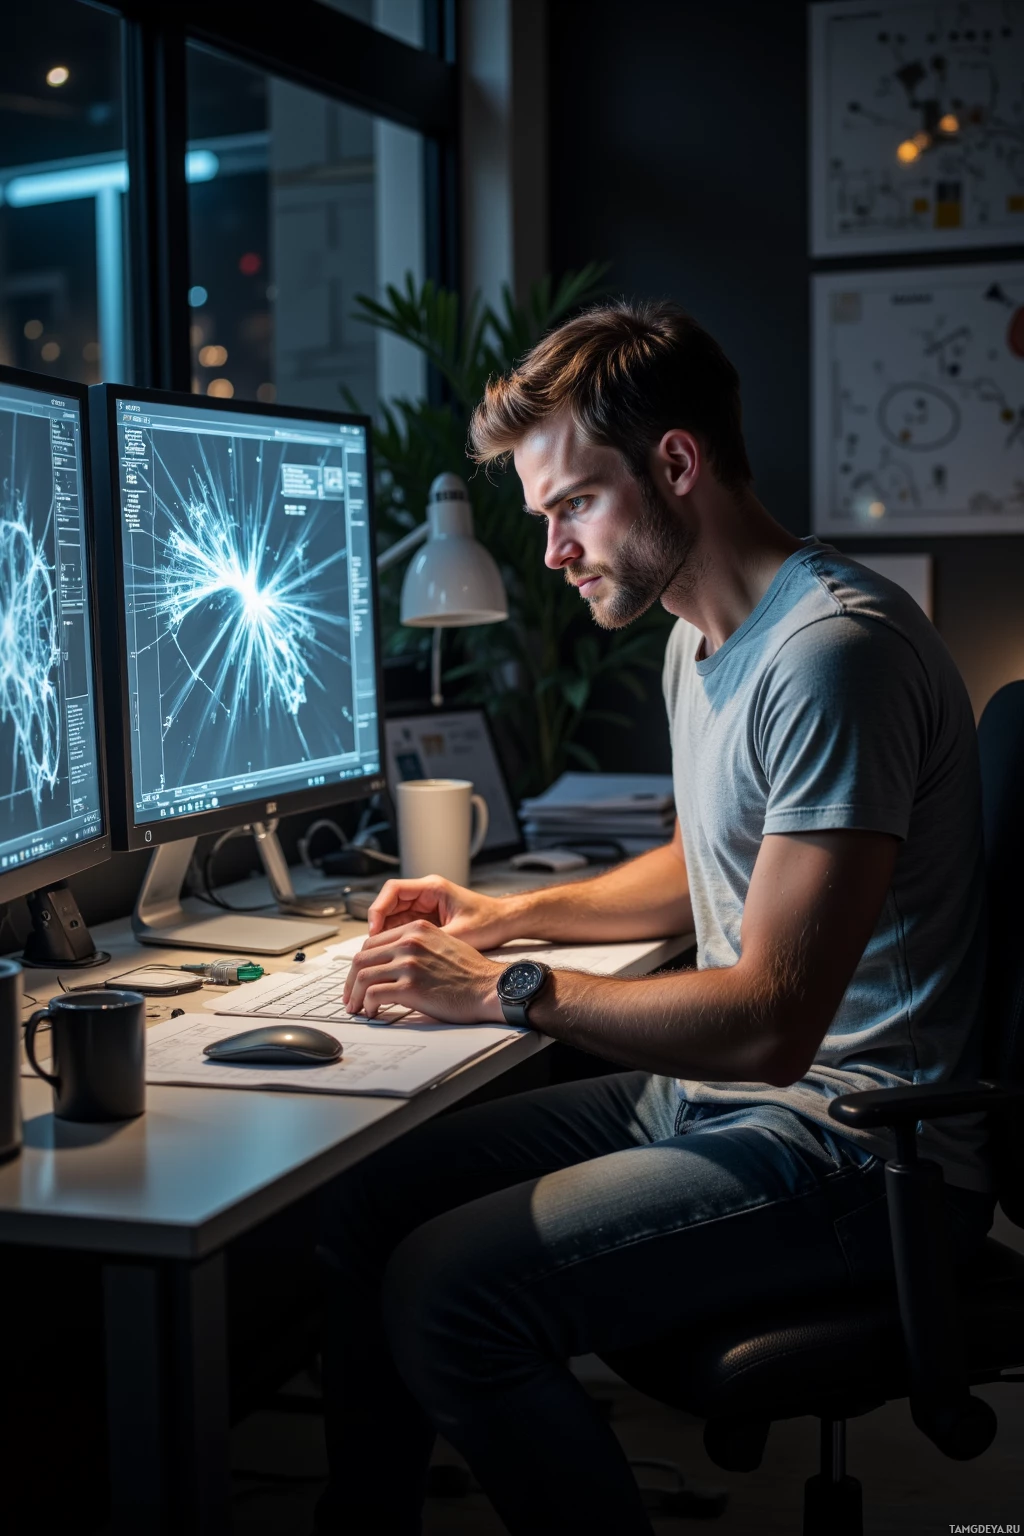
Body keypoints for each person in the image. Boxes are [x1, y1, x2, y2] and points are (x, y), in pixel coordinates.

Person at [314, 300, 993, 1536]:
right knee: (365, 1204)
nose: (555, 550)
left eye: (572, 506)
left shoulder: (834, 652)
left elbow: (770, 1027)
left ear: (674, 464)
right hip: (744, 1110)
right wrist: (504, 914)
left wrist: (499, 989)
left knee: (445, 1293)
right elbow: (709, 865)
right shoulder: (701, 637)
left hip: (854, 1149)